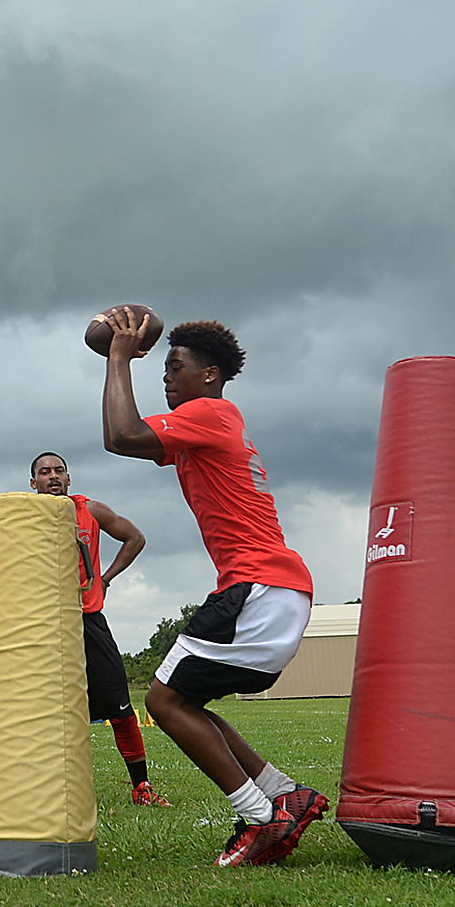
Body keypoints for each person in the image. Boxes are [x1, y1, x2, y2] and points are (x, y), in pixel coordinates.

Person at [98, 312, 325, 866]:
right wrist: (117, 363)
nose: (166, 378)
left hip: (261, 588)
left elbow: (119, 435)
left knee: (162, 700)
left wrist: (119, 356)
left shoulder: (211, 413)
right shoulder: (207, 425)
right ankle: (283, 794)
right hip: (273, 590)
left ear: (210, 375)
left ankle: (262, 817)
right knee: (186, 700)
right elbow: (135, 437)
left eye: (175, 367)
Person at [30, 452, 170, 807]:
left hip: (89, 620)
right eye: (44, 473)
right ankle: (45, 792)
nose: (53, 477)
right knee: (43, 712)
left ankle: (141, 788)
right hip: (44, 625)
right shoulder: (23, 518)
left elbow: (135, 537)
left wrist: (105, 578)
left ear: (69, 478)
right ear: (33, 484)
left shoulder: (89, 510)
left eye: (59, 471)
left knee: (120, 707)